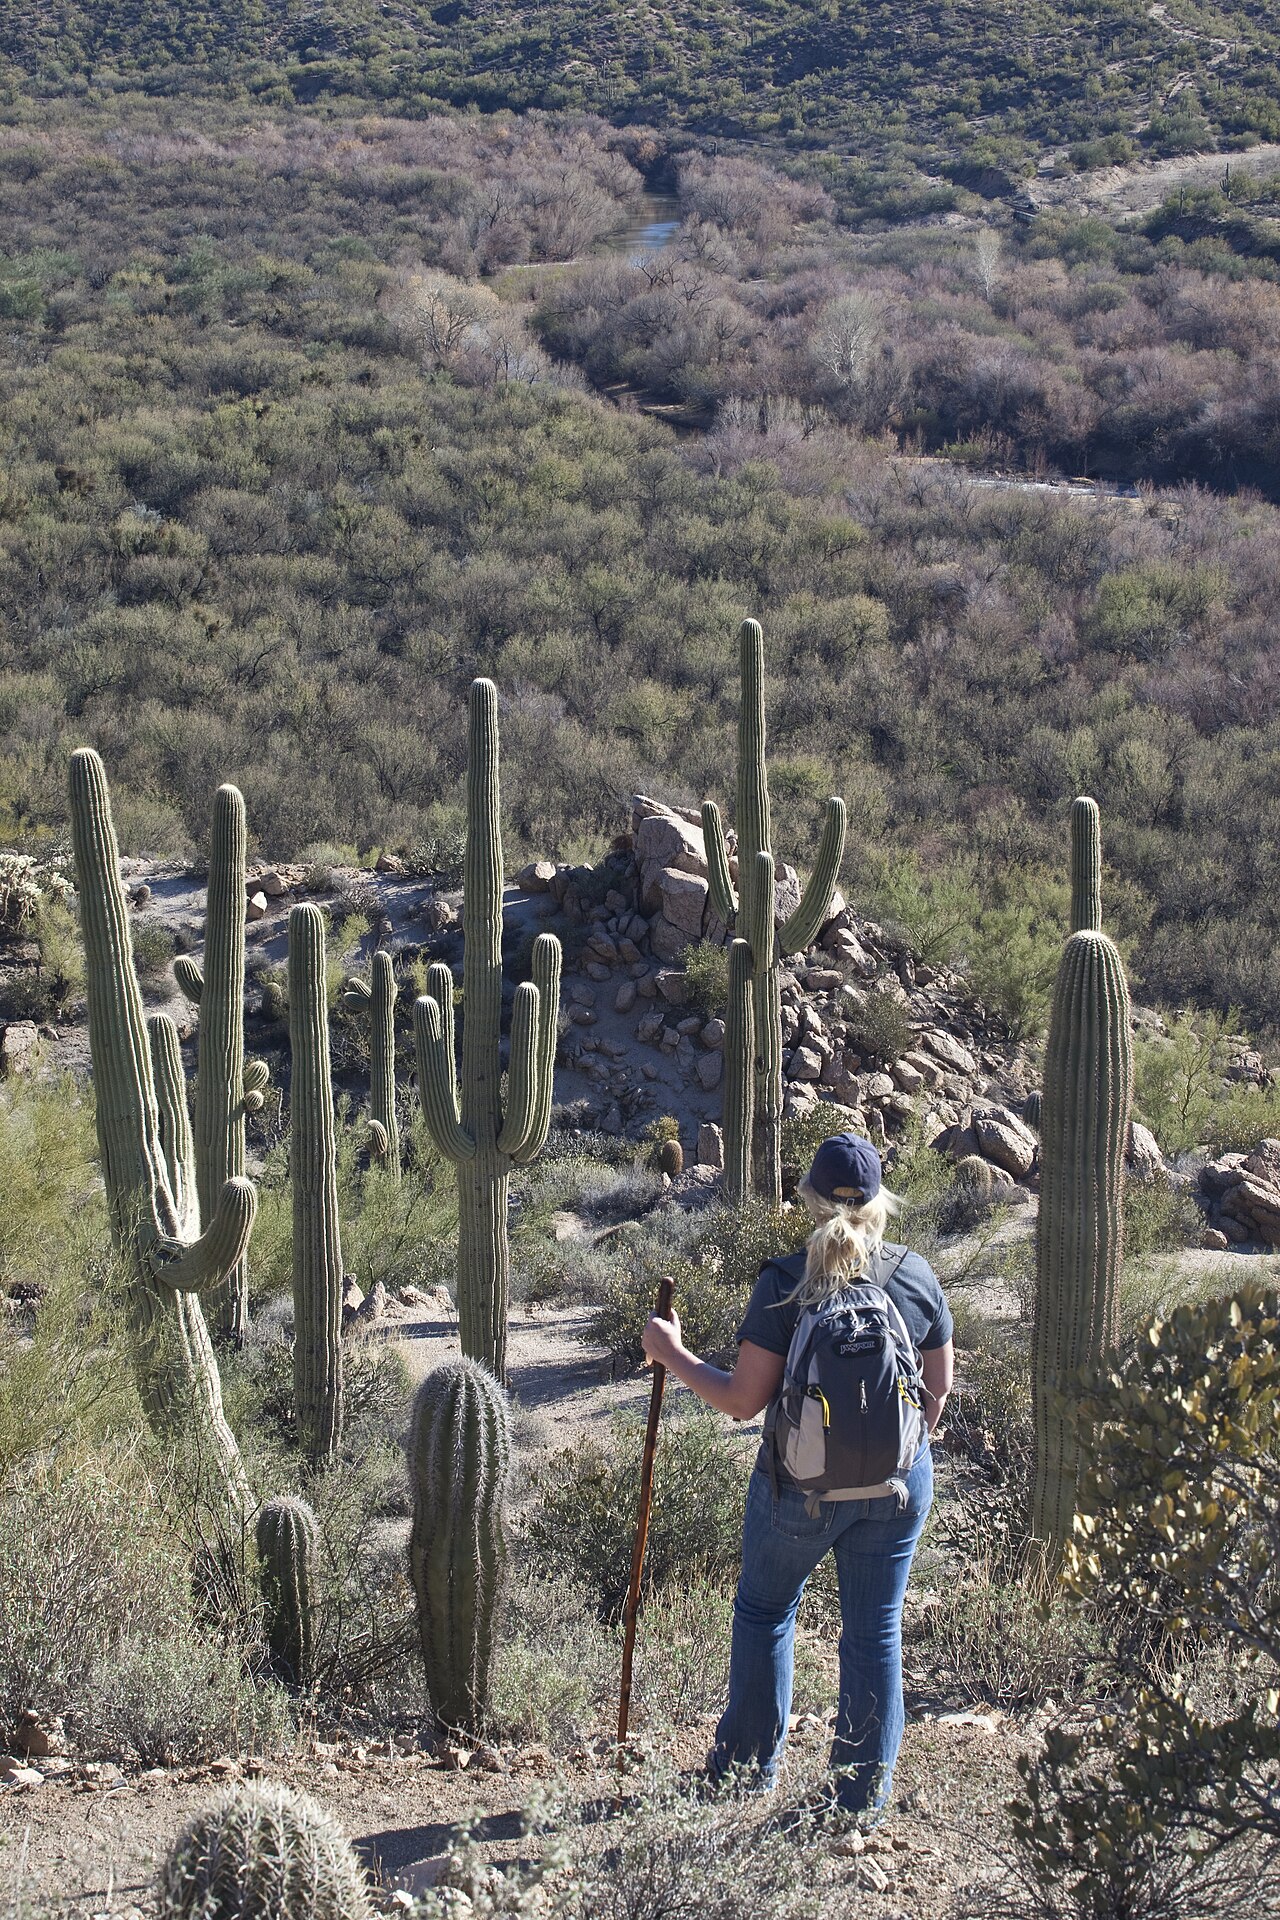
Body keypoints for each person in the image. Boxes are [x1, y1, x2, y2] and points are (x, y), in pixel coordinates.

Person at [641, 1130, 954, 1820]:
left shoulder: (784, 1281)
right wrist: (893, 1459)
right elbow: (936, 1393)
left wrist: (672, 1353)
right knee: (874, 1630)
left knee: (765, 1609)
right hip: (898, 1489)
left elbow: (741, 1402)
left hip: (797, 1489)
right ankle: (858, 1801)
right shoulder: (915, 1274)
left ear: (808, 1199)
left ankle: (748, 1772)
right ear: (879, 1204)